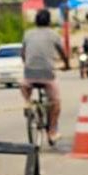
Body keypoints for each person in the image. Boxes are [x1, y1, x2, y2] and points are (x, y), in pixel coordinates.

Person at [21, 9, 69, 143]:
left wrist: (27, 65)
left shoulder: (28, 34)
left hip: (29, 74)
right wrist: (66, 64)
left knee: (24, 86)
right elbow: (62, 53)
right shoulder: (54, 35)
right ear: (49, 21)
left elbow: (23, 53)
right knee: (56, 103)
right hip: (47, 75)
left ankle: (27, 102)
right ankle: (52, 131)